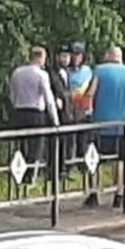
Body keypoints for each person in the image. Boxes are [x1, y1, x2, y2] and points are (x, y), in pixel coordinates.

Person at [85, 46, 125, 209]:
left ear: (108, 55)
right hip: (124, 124)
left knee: (95, 159)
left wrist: (87, 110)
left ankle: (94, 193)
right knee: (121, 160)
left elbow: (90, 93)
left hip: (101, 123)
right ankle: (119, 195)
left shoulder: (100, 71)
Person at [8, 47, 60, 184]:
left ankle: (20, 173)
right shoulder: (41, 74)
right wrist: (55, 120)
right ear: (40, 58)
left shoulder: (17, 73)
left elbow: (12, 94)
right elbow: (48, 98)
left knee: (22, 143)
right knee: (36, 145)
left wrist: (15, 105)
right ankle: (31, 175)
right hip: (36, 113)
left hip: (19, 111)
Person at [47, 46, 75, 175]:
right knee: (56, 140)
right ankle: (54, 168)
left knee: (66, 140)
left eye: (68, 56)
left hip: (67, 111)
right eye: (63, 56)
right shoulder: (50, 72)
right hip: (57, 112)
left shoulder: (67, 72)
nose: (66, 59)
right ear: (57, 57)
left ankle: (65, 166)